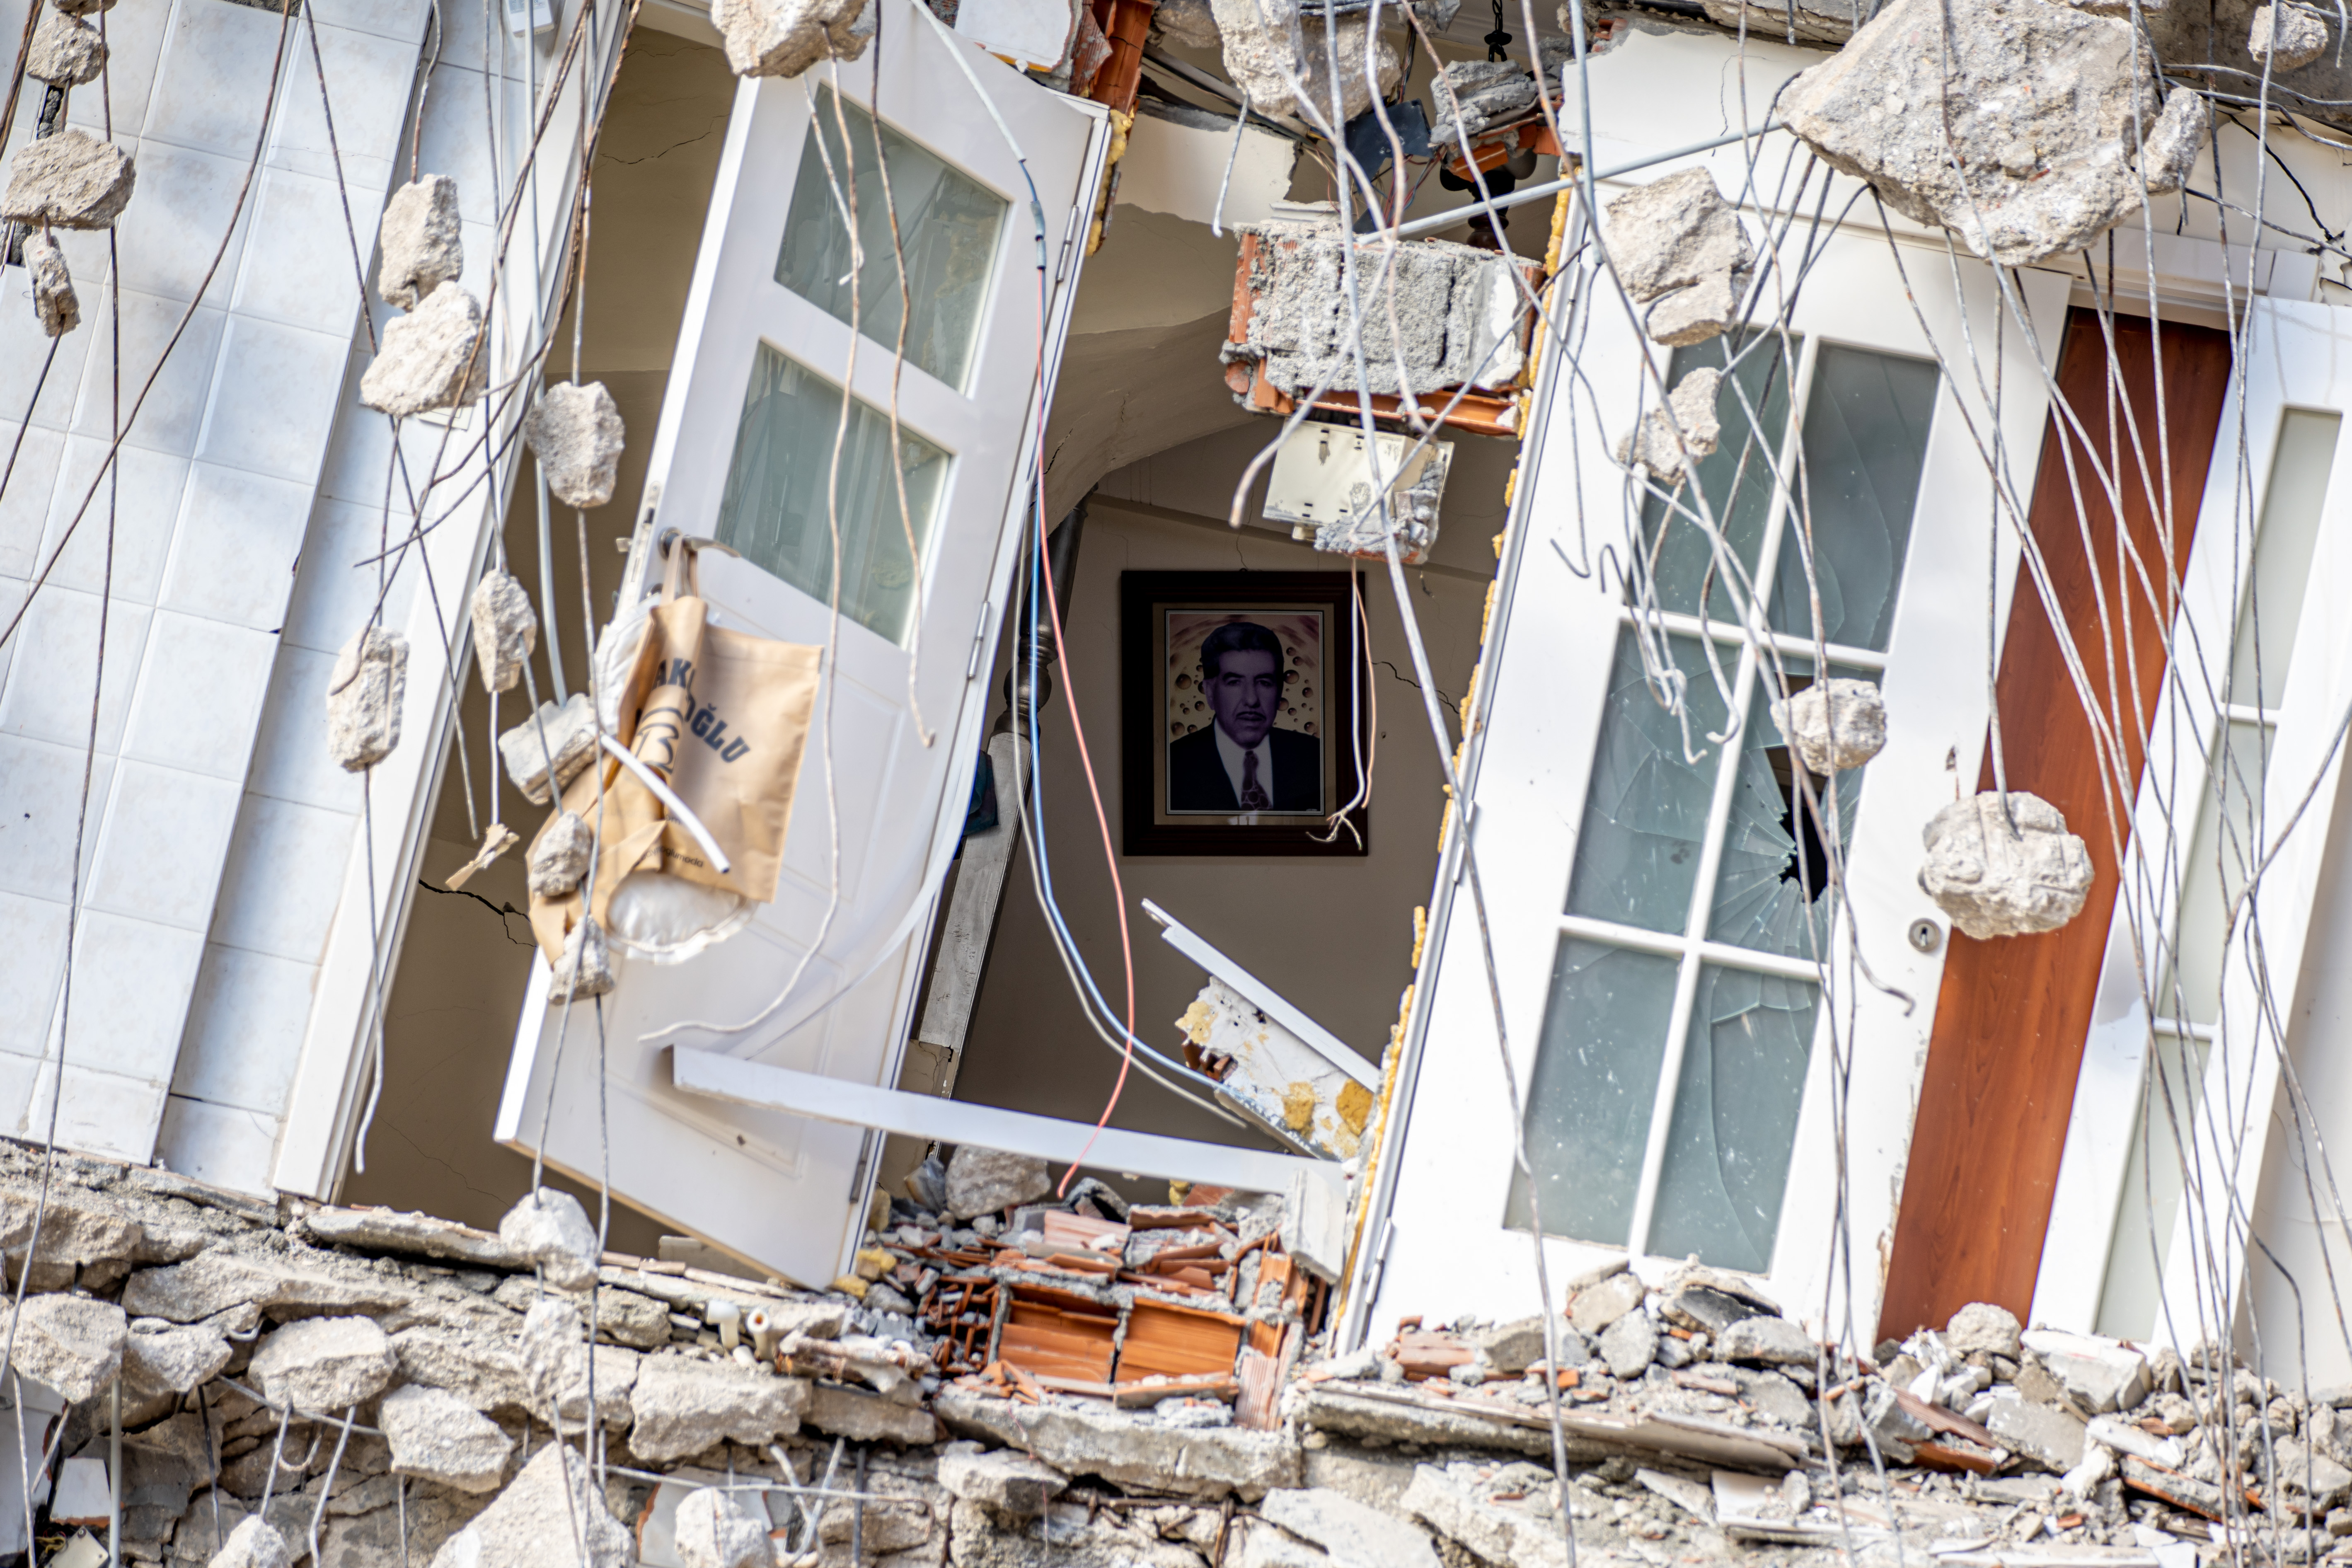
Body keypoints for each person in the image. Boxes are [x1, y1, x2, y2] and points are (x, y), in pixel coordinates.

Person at [1168, 621, 1322, 813]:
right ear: (1209, 692)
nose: (1251, 700)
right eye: (1234, 682)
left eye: (1264, 682)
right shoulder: (1170, 768)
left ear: (1280, 691)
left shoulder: (1317, 758)